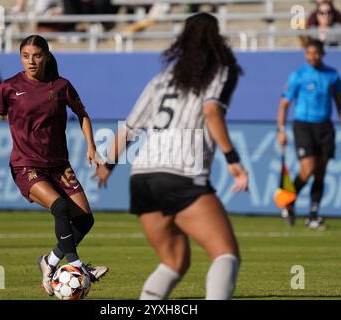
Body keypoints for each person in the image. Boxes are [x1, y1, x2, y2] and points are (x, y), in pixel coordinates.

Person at [94, 13, 248, 300]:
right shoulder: (220, 70)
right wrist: (232, 160)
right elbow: (212, 110)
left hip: (141, 176)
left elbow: (129, 128)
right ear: (216, 38)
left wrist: (107, 165)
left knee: (174, 262)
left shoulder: (162, 78)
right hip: (181, 172)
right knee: (225, 253)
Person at [0, 35, 108, 296]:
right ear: (20, 57)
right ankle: (78, 267)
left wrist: (91, 146)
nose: (31, 61)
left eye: (36, 55)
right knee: (59, 207)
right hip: (27, 165)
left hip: (59, 166)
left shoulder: (61, 85)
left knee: (85, 219)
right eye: (26, 56)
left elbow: (82, 114)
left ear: (46, 56)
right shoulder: (9, 87)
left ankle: (48, 261)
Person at [277, 39, 341, 230]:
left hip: (325, 127)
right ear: (305, 54)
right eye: (308, 53)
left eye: (316, 53)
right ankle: (288, 200)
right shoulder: (298, 75)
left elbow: (340, 104)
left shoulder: (332, 75)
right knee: (308, 168)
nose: (312, 56)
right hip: (304, 125)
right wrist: (281, 129)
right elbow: (284, 104)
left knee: (320, 172)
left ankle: (313, 215)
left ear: (322, 54)